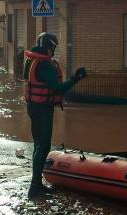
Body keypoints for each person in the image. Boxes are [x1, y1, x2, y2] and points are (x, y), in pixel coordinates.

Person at [23, 32, 87, 199]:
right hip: (42, 110)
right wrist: (76, 78)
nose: (53, 51)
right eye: (54, 47)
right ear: (50, 46)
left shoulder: (32, 61)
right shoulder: (45, 65)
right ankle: (35, 188)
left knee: (38, 145)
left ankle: (36, 185)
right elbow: (57, 89)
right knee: (43, 146)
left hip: (33, 107)